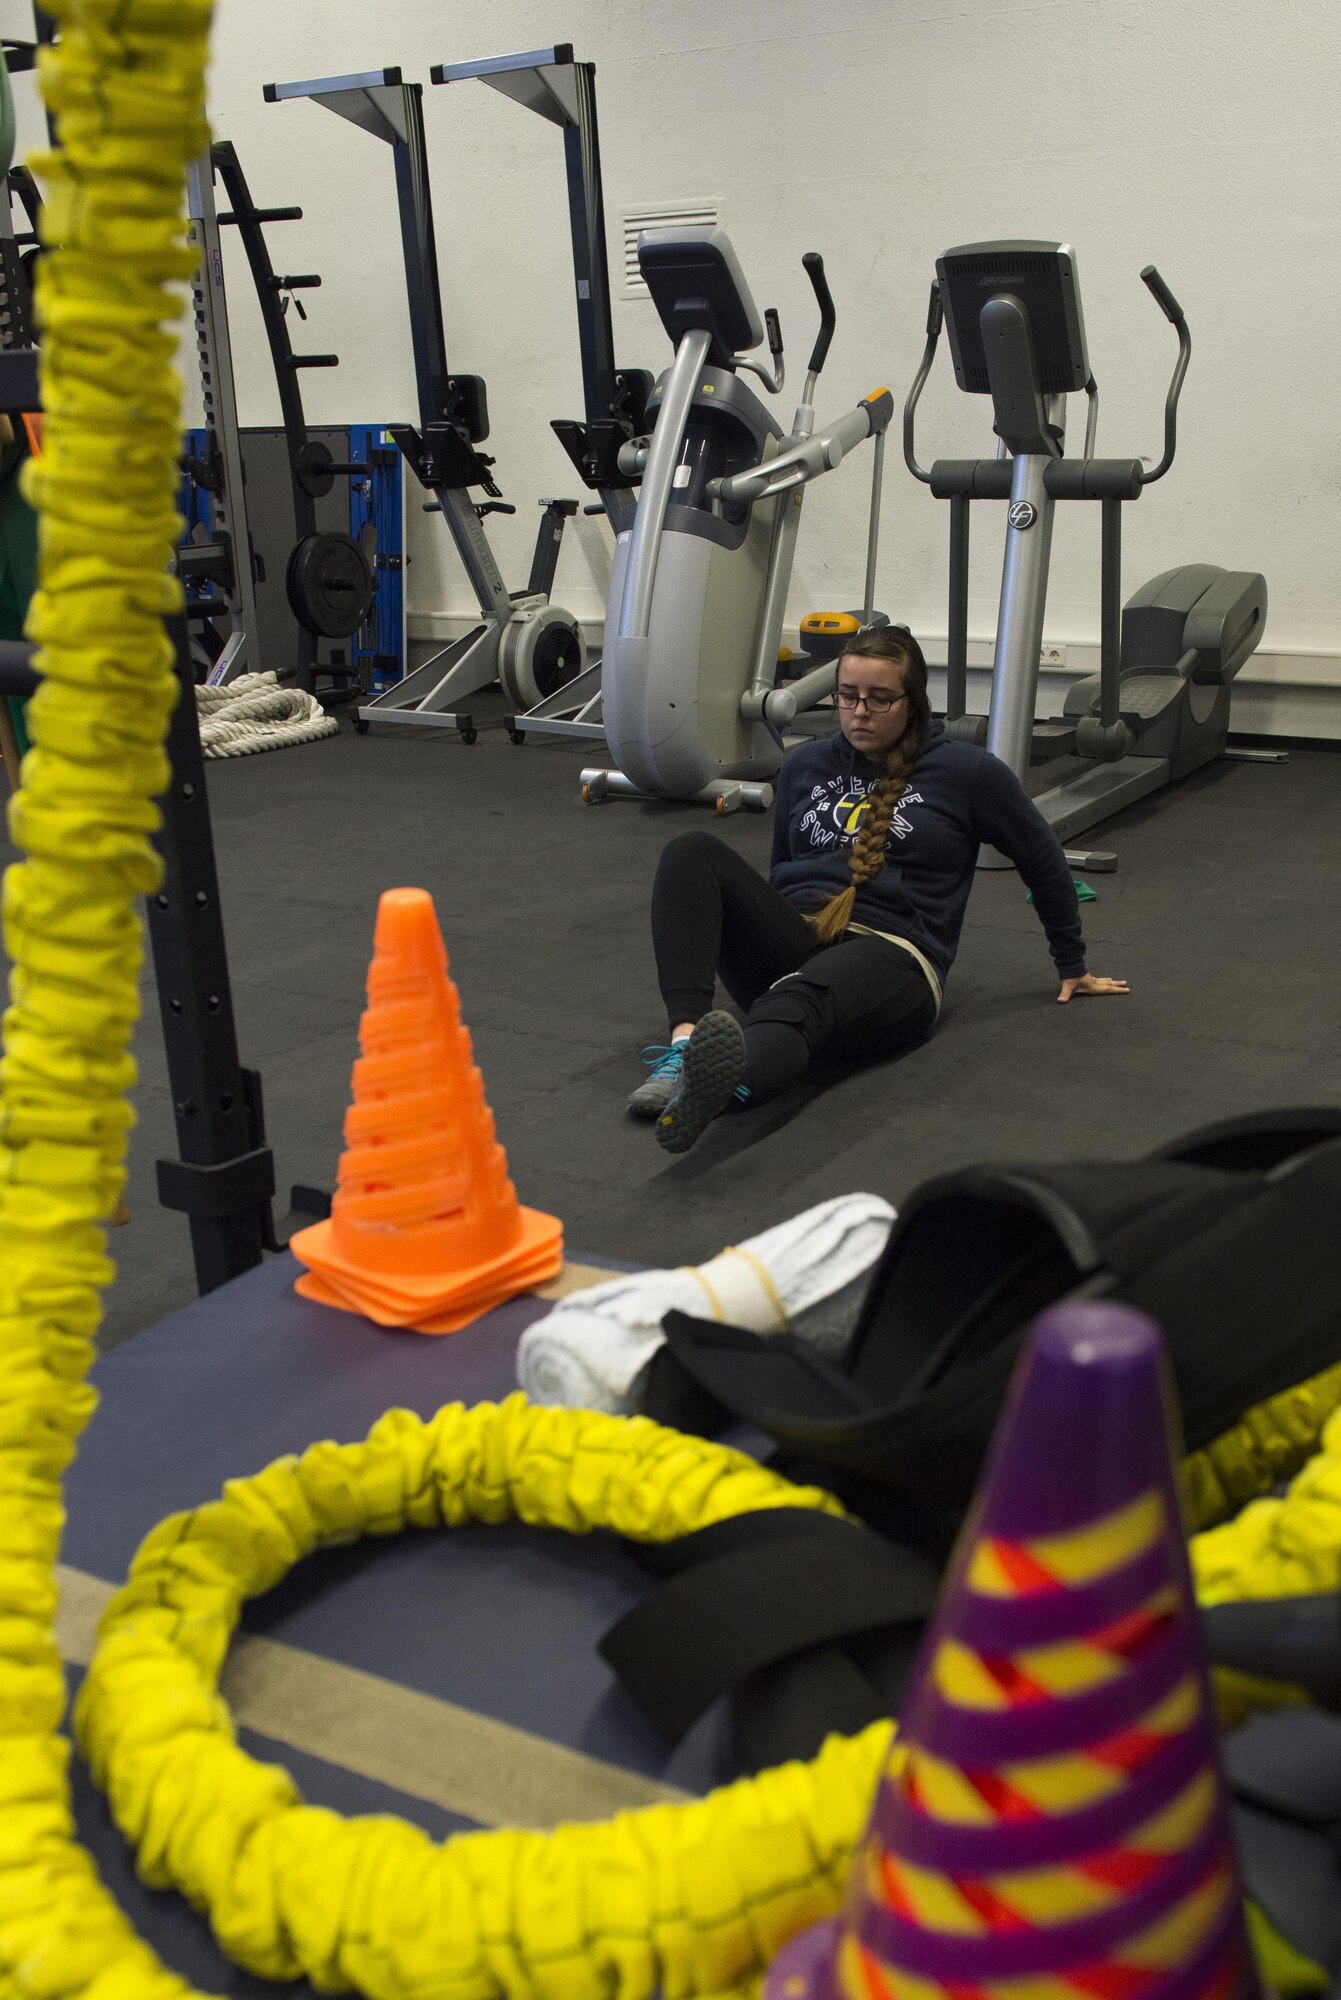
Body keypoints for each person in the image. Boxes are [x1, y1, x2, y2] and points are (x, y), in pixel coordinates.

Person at [628, 623, 1129, 1154]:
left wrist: (1071, 962)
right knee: (691, 852)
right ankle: (684, 1047)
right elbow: (782, 872)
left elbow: (1042, 857)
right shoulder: (802, 764)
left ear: (913, 703)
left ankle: (716, 1091)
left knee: (805, 995)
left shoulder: (968, 773)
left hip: (895, 957)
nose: (860, 712)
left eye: (879, 699)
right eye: (848, 696)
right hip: (799, 936)